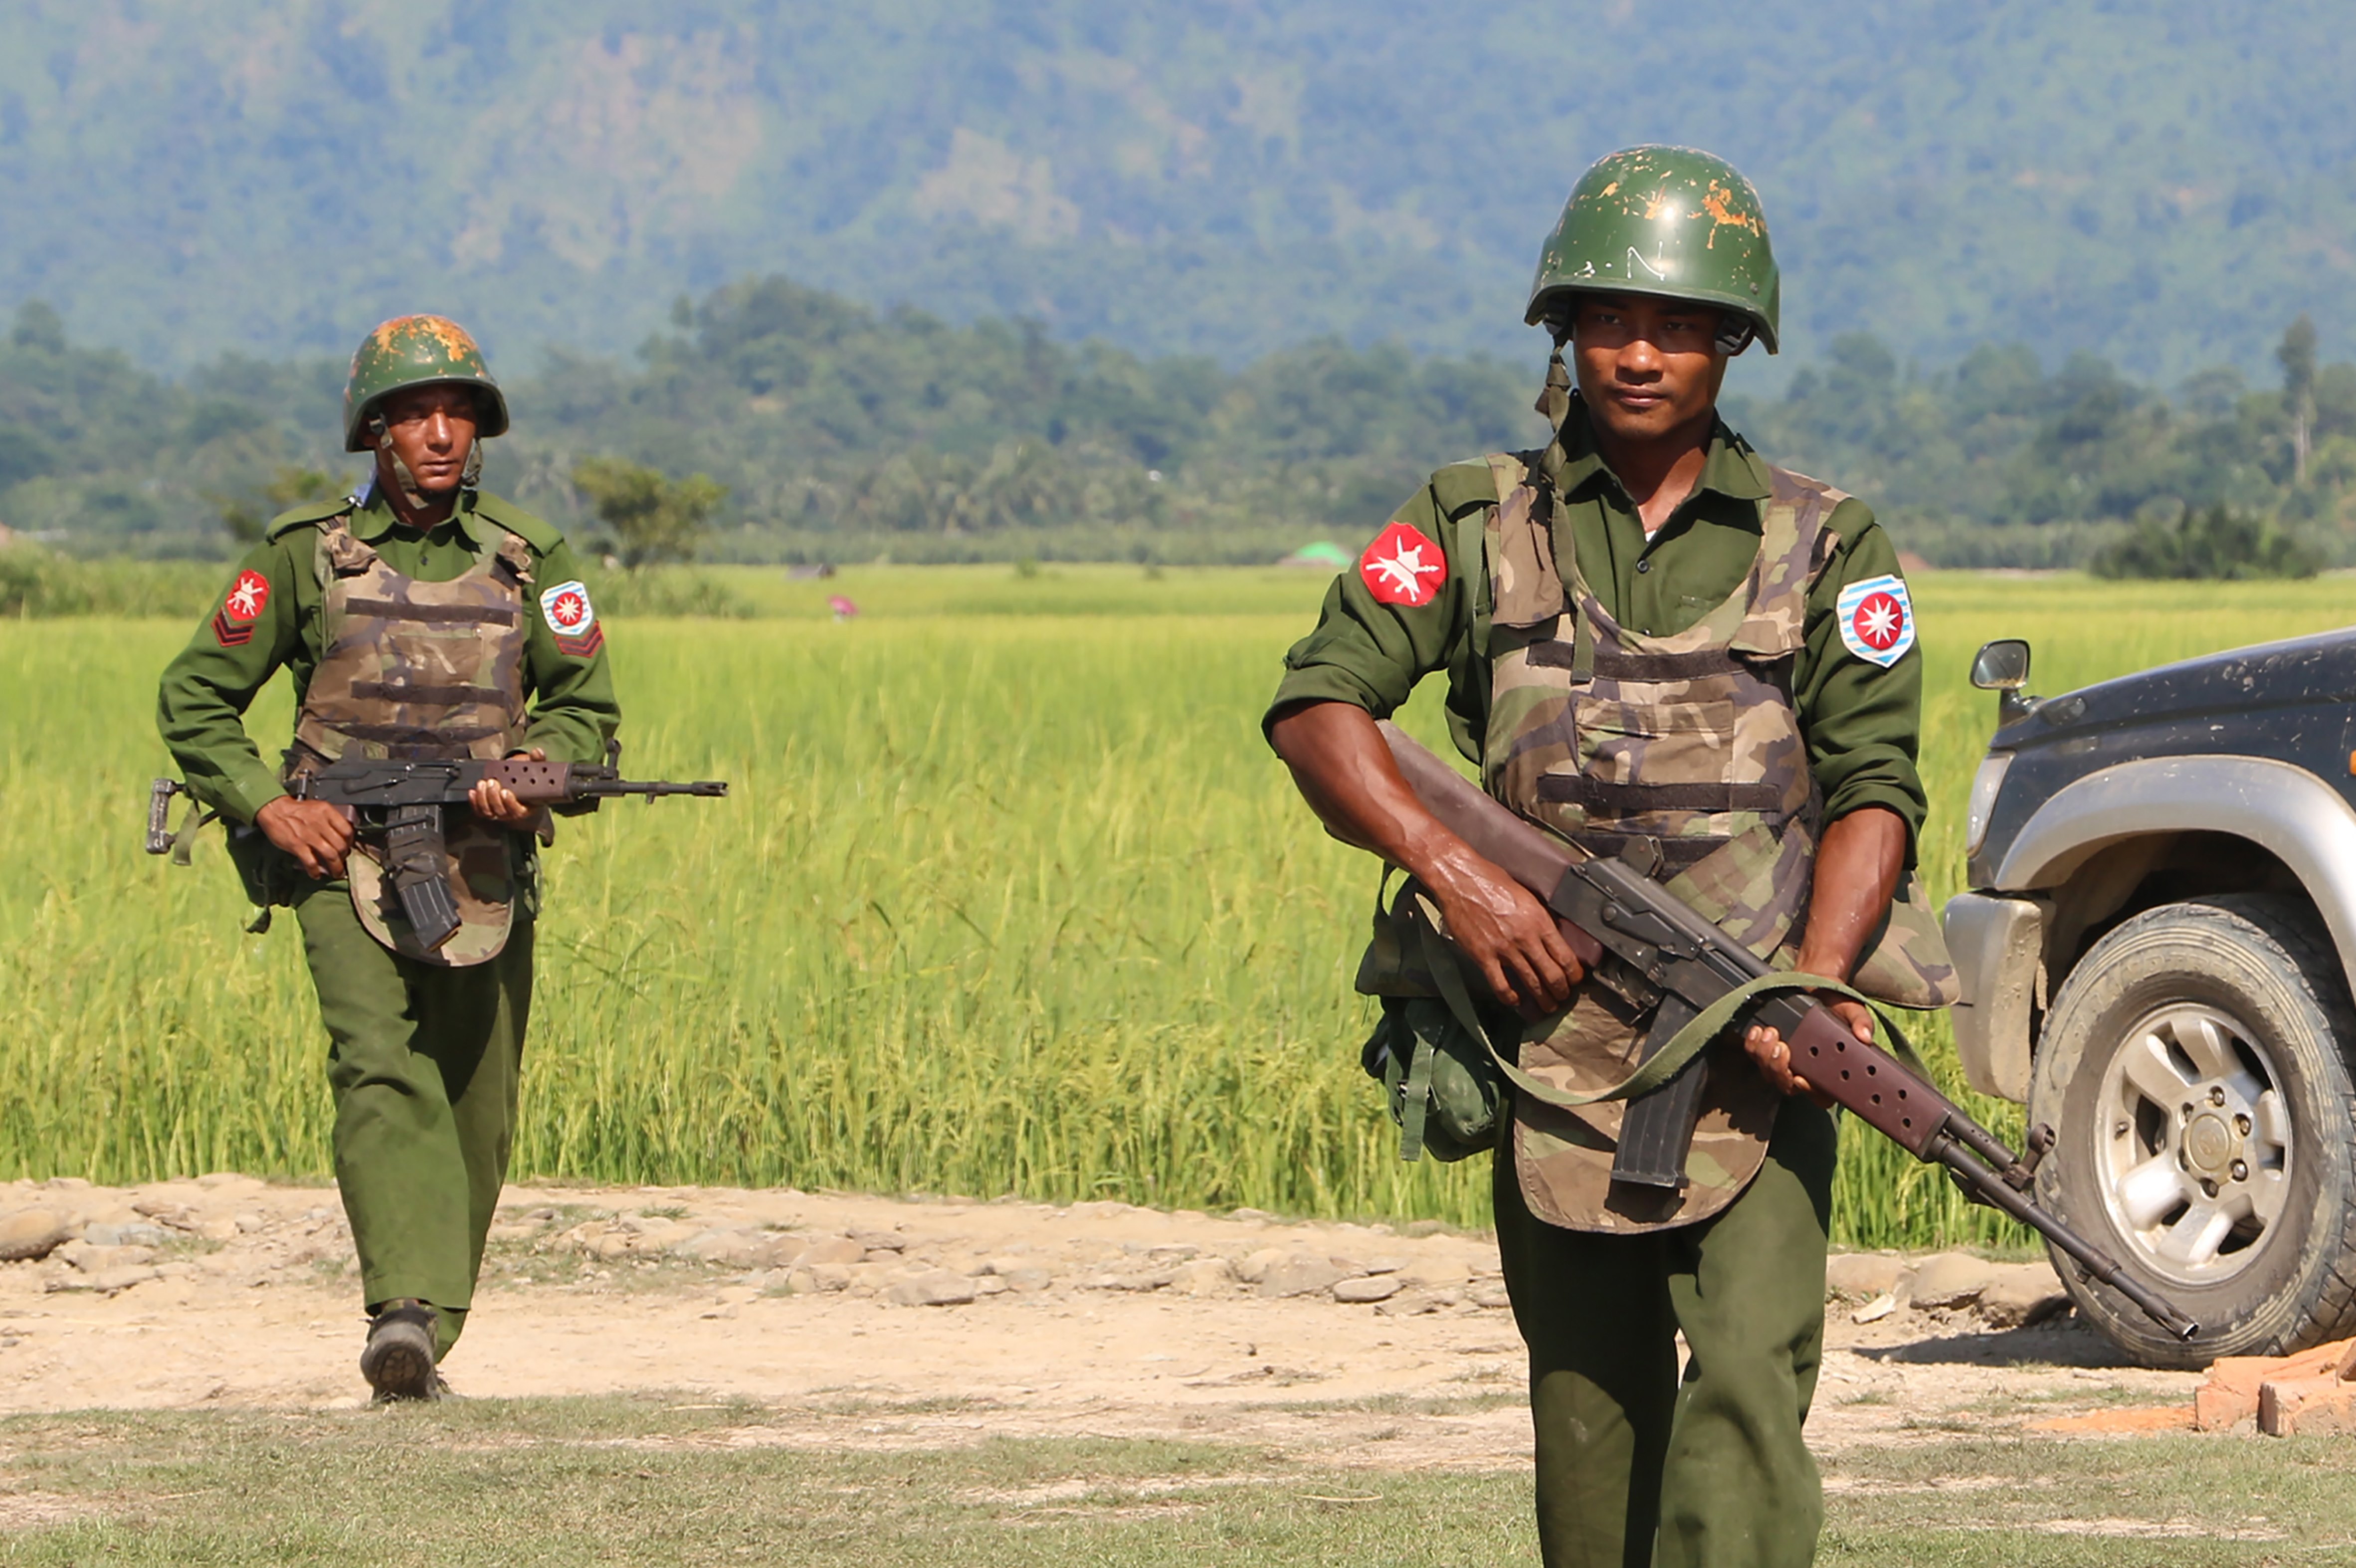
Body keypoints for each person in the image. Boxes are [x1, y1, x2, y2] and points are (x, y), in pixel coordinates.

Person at [1263, 146, 1949, 1567]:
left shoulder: (1829, 544)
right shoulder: (1470, 523)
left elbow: (1876, 783)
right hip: (1552, 1049)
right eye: (1608, 323)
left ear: (1734, 343)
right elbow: (1321, 712)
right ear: (1559, 335)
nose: (1640, 355)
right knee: (1588, 1430)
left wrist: (1813, 987)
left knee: (1753, 1391)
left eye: (1681, 326)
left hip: (1751, 1045)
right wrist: (1462, 878)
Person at [157, 315, 619, 1401]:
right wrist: (268, 807)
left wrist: (534, 768)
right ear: (376, 432)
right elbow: (196, 696)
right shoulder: (300, 556)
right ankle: (399, 1312)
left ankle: (429, 1326)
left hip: (484, 860)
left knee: (478, 1094)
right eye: (416, 414)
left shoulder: (530, 555)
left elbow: (586, 707)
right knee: (377, 1060)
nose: (441, 433)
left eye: (459, 413)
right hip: (335, 856)